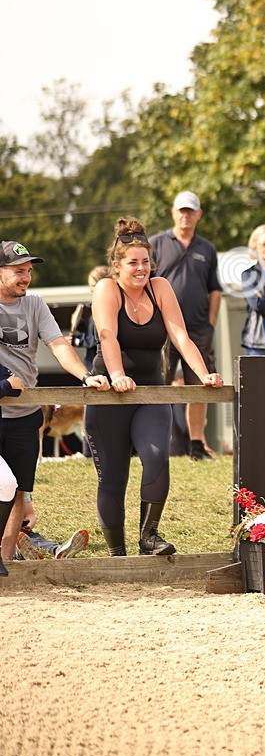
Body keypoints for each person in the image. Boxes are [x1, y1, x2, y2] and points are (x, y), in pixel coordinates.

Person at [88, 218, 224, 557]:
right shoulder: (107, 288)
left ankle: (149, 537)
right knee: (113, 477)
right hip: (109, 394)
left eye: (146, 261)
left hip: (151, 390)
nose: (141, 268)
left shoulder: (159, 287)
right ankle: (117, 554)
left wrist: (204, 372)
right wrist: (117, 374)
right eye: (133, 262)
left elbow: (180, 335)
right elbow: (107, 335)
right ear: (116, 265)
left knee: (157, 456)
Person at [0, 241, 110, 575]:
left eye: (29, 271)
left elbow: (58, 344)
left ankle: (6, 566)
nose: (26, 277)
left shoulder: (35, 305)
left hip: (25, 414)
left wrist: (86, 375)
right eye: (18, 271)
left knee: (19, 489)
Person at [150, 191, 223, 460]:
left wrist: (211, 322)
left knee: (201, 385)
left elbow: (215, 289)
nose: (185, 215)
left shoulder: (207, 248)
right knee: (160, 383)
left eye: (190, 211)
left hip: (198, 328)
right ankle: (156, 442)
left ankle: (196, 444)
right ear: (173, 212)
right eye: (181, 210)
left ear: (198, 214)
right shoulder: (155, 243)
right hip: (163, 328)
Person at [241, 222, 265, 355]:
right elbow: (256, 304)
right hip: (256, 343)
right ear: (255, 247)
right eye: (264, 244)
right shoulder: (249, 275)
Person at [13, 498, 89, 560]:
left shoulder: (20, 488)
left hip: (20, 531)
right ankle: (21, 554)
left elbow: (30, 514)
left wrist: (28, 526)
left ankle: (60, 551)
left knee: (35, 539)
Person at [70, 265, 109, 368]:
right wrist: (80, 325)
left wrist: (75, 340)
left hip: (101, 369)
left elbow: (97, 340)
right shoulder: (98, 306)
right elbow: (92, 334)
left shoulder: (106, 308)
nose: (90, 290)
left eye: (93, 285)